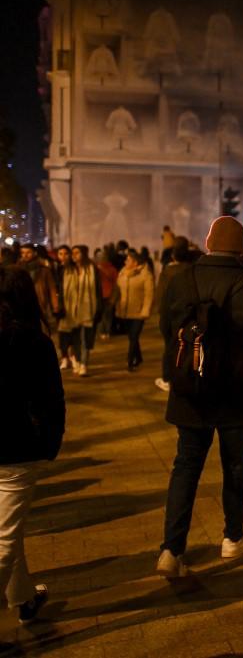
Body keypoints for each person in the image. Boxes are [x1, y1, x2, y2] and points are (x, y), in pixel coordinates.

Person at [157, 216, 243, 577]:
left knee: (185, 466)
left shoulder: (181, 278)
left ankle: (171, 550)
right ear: (241, 248)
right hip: (236, 392)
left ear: (208, 244)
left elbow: (166, 330)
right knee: (235, 467)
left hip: (190, 391)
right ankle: (232, 538)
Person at [0, 266, 65, 624]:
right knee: (5, 539)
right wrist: (49, 442)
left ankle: (23, 598)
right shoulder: (33, 342)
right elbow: (51, 401)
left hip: (14, 447)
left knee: (8, 530)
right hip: (15, 448)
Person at [154, 238, 193, 391]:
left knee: (170, 348)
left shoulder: (168, 273)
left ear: (173, 255)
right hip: (188, 315)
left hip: (171, 316)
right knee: (186, 348)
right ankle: (185, 377)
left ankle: (168, 379)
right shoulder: (192, 270)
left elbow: (161, 297)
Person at [58, 245, 103, 377]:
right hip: (71, 310)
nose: (74, 255)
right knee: (75, 339)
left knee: (85, 339)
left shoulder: (91, 268)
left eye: (77, 253)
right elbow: (61, 291)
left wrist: (99, 307)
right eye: (73, 253)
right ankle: (77, 360)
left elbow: (97, 289)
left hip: (88, 308)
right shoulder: (67, 270)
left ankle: (84, 364)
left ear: (84, 253)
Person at [115, 250, 154, 371]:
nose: (125, 261)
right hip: (126, 311)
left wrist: (145, 311)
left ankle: (130, 361)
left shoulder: (146, 275)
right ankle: (139, 357)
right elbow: (118, 290)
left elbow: (149, 295)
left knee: (133, 337)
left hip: (138, 312)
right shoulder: (122, 272)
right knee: (132, 337)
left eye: (128, 260)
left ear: (135, 262)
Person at [17, 245, 59, 327]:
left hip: (41, 304)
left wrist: (55, 305)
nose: (25, 255)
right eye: (23, 253)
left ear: (35, 253)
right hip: (22, 306)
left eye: (28, 252)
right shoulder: (18, 269)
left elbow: (51, 288)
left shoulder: (44, 270)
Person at [93, 248, 118, 341]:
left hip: (103, 295)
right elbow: (116, 282)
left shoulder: (97, 268)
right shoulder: (111, 269)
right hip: (107, 294)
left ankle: (103, 332)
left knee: (103, 315)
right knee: (107, 315)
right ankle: (106, 332)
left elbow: (116, 283)